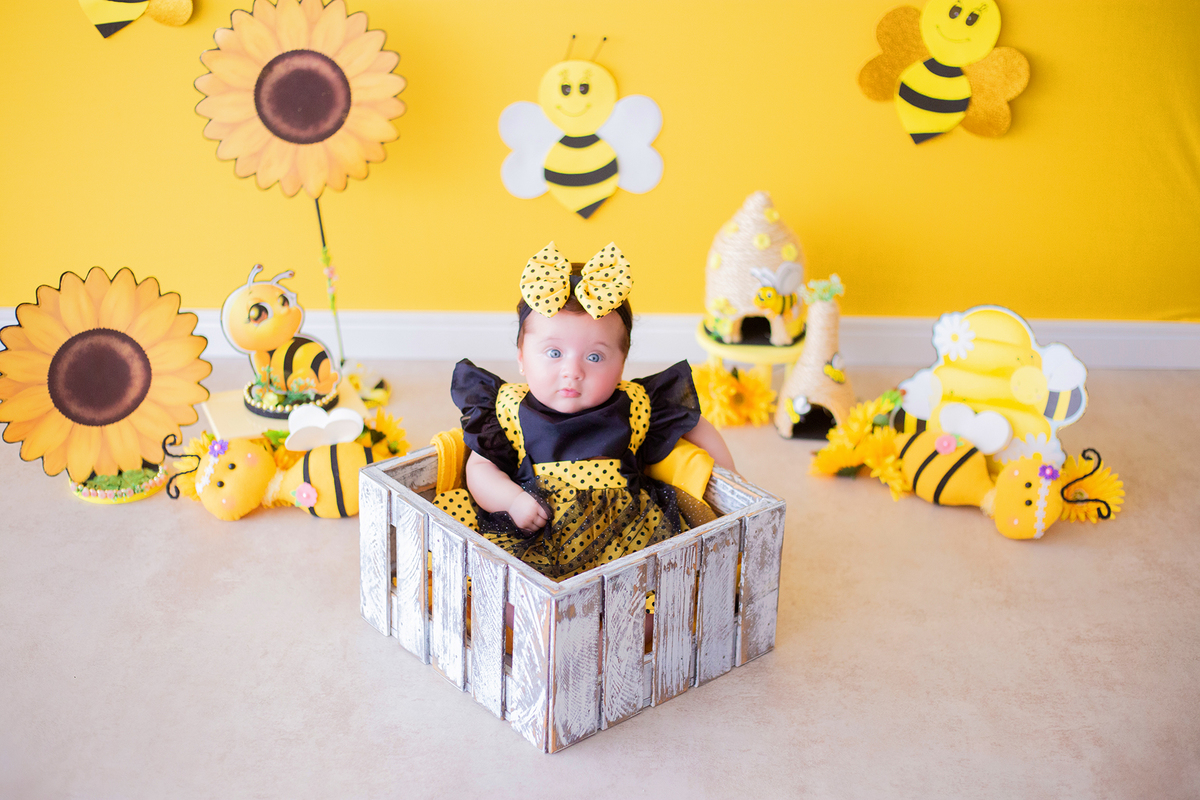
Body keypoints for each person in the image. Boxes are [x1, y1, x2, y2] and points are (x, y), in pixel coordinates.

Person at [433, 242, 735, 581]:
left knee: (656, 590)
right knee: (508, 587)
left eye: (594, 357)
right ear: (521, 358)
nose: (572, 371)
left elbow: (694, 425)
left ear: (622, 364)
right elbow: (480, 469)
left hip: (626, 535)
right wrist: (513, 501)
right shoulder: (507, 408)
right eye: (553, 353)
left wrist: (732, 484)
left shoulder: (636, 403)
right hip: (539, 532)